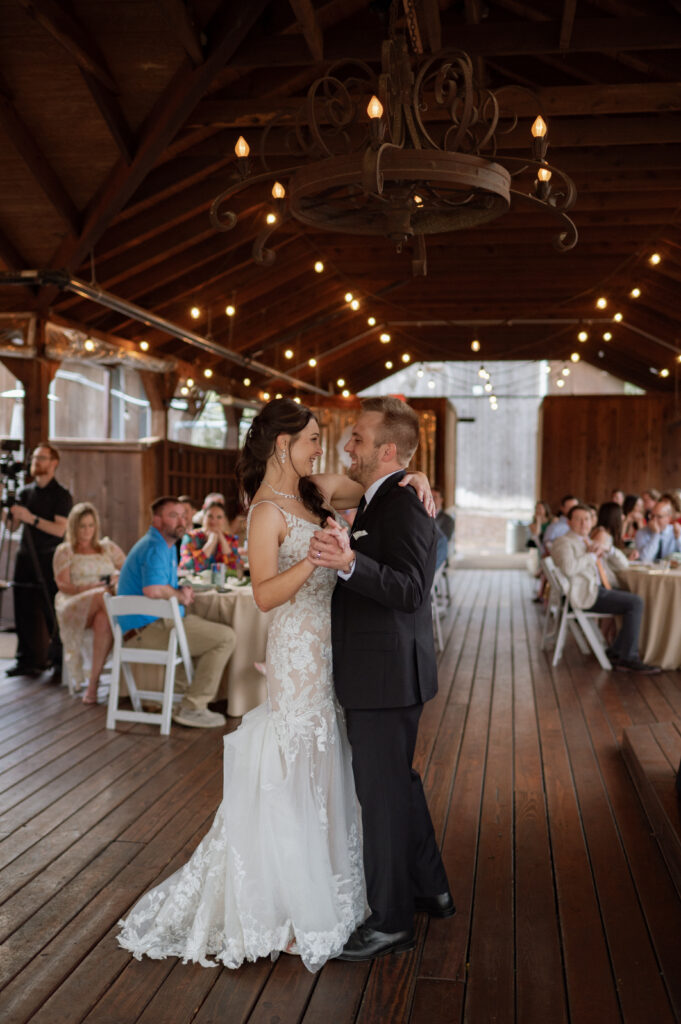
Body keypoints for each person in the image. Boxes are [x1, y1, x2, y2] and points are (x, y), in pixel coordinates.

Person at [116, 398, 434, 972]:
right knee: (297, 761)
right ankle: (285, 901)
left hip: (337, 650)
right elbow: (262, 595)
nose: (324, 446)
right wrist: (317, 561)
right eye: (314, 437)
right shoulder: (264, 511)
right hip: (296, 653)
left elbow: (376, 484)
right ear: (284, 444)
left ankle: (337, 883)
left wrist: (417, 472)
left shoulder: (316, 491)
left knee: (332, 761)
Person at [309, 396, 453, 962]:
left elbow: (413, 590)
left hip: (387, 675)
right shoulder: (379, 500)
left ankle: (391, 920)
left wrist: (348, 563)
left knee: (383, 797)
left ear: (387, 450)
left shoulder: (405, 506)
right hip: (380, 670)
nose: (349, 446)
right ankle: (431, 888)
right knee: (399, 785)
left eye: (359, 440)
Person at [116, 496, 236, 728]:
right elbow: (152, 589)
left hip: (147, 627)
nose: (181, 521)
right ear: (157, 519)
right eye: (173, 515)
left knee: (198, 630)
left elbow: (161, 584)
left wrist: (179, 590)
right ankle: (193, 706)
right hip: (143, 631)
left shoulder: (166, 544)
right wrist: (180, 595)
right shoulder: (156, 546)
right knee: (225, 637)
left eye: (184, 515)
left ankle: (177, 702)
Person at [551, 504, 659, 673]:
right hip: (586, 594)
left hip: (598, 590)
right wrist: (591, 556)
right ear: (569, 522)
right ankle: (628, 657)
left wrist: (607, 549)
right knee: (635, 602)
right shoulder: (564, 542)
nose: (583, 523)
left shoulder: (588, 541)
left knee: (634, 598)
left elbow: (623, 564)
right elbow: (568, 568)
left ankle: (617, 651)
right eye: (578, 519)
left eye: (586, 519)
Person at [5, 443, 72, 677]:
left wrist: (31, 518)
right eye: (34, 457)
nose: (36, 462)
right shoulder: (25, 493)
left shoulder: (61, 495)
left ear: (54, 463)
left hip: (48, 557)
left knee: (50, 608)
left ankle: (58, 660)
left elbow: (59, 530)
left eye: (42, 458)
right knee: (23, 607)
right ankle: (27, 659)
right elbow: (12, 525)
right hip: (25, 555)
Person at [53, 503, 126, 704]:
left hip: (103, 604)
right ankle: (126, 632)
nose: (87, 530)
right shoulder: (65, 551)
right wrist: (91, 587)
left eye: (90, 525)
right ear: (74, 528)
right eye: (82, 526)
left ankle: (93, 686)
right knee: (103, 595)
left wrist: (116, 576)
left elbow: (128, 571)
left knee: (103, 620)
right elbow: (62, 585)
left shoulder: (108, 548)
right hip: (74, 602)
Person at [179, 500, 241, 574]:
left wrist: (222, 540)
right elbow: (186, 567)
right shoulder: (190, 537)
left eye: (219, 517)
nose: (214, 520)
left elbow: (236, 569)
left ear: (224, 520)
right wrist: (211, 543)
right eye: (210, 516)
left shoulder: (231, 539)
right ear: (203, 517)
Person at [634, 498, 681, 563]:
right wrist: (656, 534)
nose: (654, 520)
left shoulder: (676, 531)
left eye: (659, 516)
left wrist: (678, 538)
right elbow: (645, 559)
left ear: (669, 518)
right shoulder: (641, 532)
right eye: (652, 516)